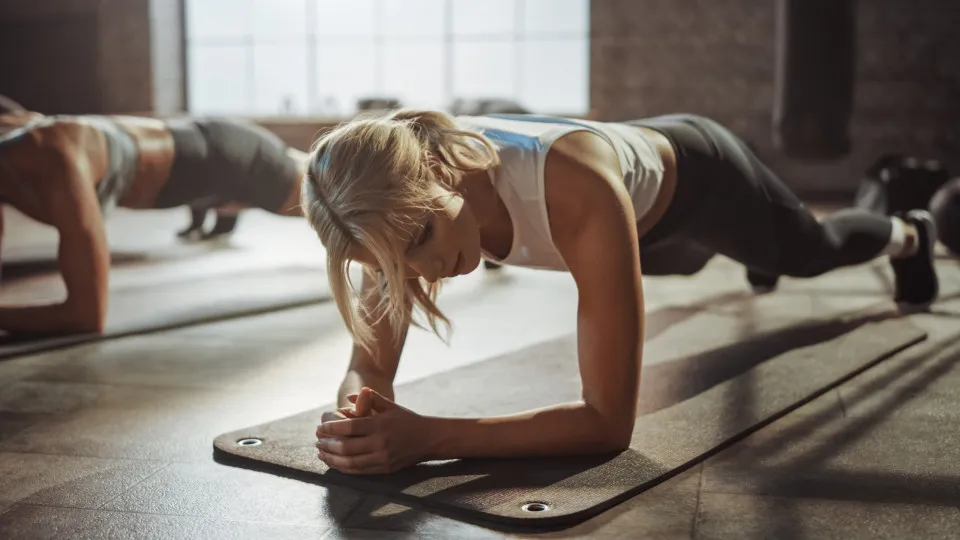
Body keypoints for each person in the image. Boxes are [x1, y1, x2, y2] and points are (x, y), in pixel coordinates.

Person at [303, 109, 939, 475]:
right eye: (394, 266)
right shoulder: (390, 212)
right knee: (690, 267)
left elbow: (608, 424)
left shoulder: (575, 188)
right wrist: (357, 418)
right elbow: (368, 366)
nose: (423, 268)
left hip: (701, 186)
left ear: (443, 174)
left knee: (808, 252)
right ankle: (752, 259)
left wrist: (429, 437)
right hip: (642, 238)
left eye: (422, 238)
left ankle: (908, 232)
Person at [0, 111, 308, 335]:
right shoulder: (13, 154)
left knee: (331, 190)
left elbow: (85, 316)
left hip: (227, 159)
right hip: (201, 149)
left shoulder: (54, 160)